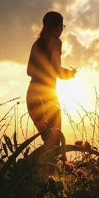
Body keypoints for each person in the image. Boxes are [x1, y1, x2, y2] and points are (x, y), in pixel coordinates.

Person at [26, 11, 77, 167]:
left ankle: (30, 173)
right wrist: (68, 74)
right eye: (62, 26)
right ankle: (24, 166)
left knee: (49, 142)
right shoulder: (56, 43)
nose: (62, 30)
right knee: (54, 143)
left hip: (32, 94)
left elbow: (29, 71)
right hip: (48, 95)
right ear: (57, 27)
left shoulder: (36, 44)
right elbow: (56, 69)